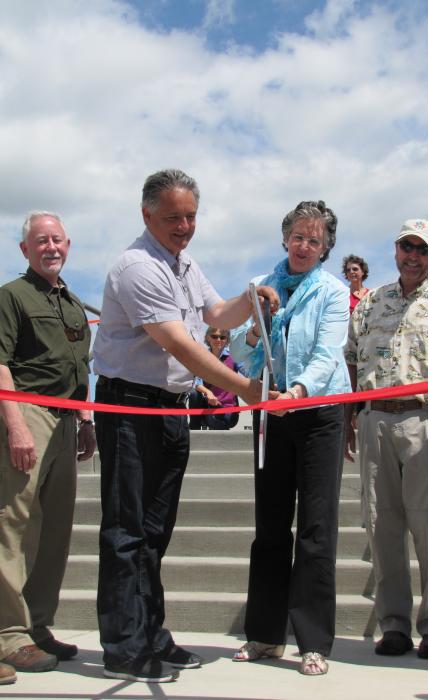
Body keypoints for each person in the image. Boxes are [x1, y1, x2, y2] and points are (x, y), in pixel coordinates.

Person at [92, 168, 279, 684]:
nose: (184, 226)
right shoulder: (137, 267)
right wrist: (245, 390)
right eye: (173, 216)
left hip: (170, 408)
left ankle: (152, 633)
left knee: (155, 531)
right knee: (126, 531)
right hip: (129, 409)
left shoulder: (184, 263)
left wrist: (255, 296)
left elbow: (218, 313)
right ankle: (124, 645)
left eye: (191, 216)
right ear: (146, 213)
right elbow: (179, 343)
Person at [229, 200, 350, 676]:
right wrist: (257, 324)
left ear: (326, 248)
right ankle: (264, 634)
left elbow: (326, 354)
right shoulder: (263, 283)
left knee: (317, 529)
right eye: (298, 236)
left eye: (314, 240)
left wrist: (297, 391)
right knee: (270, 526)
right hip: (272, 414)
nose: (304, 245)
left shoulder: (333, 291)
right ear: (285, 239)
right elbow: (240, 351)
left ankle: (314, 641)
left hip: (318, 411)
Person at [345, 219, 428, 660]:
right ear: (395, 251)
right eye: (405, 246)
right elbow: (351, 359)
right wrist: (351, 416)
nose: (413, 255)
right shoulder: (371, 302)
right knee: (382, 525)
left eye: (422, 249)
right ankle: (393, 624)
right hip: (375, 421)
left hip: (427, 418)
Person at [0, 212, 95, 674]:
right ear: (25, 250)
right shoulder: (11, 296)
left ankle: (36, 626)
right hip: (26, 414)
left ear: (68, 244)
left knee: (54, 530)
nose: (50, 247)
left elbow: (80, 368)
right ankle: (7, 634)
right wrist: (15, 426)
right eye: (41, 241)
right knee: (12, 526)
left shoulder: (74, 304)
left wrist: (87, 417)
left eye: (57, 239)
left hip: (66, 422)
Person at [188, 327, 243, 430]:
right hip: (207, 403)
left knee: (218, 425)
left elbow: (247, 371)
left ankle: (209, 423)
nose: (218, 340)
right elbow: (195, 381)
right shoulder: (202, 357)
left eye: (222, 337)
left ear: (227, 340)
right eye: (214, 336)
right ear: (208, 338)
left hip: (227, 407)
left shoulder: (234, 356)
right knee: (194, 394)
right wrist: (208, 393)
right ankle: (194, 429)